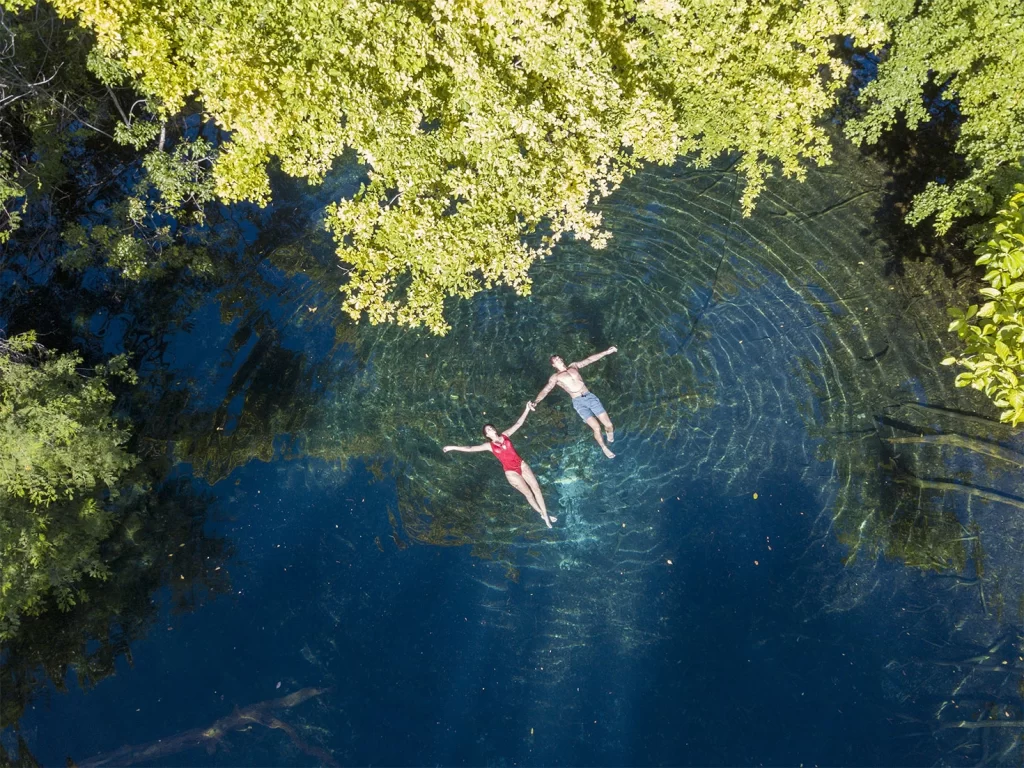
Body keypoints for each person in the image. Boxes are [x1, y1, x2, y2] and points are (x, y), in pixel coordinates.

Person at [442, 403, 555, 528]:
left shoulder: (505, 435)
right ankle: (544, 516)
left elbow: (518, 424)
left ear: (495, 430)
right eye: (488, 430)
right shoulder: (489, 446)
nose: (490, 429)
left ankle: (545, 515)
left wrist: (527, 409)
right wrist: (452, 447)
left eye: (491, 428)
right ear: (487, 435)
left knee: (536, 489)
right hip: (511, 472)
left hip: (521, 464)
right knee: (528, 494)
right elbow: (470, 448)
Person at [530, 346, 617, 459]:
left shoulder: (573, 366)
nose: (559, 359)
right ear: (553, 365)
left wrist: (607, 351)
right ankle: (604, 447)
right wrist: (536, 401)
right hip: (578, 403)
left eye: (559, 358)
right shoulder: (556, 377)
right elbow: (546, 390)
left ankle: (610, 436)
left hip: (590, 397)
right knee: (596, 427)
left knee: (609, 425)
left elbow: (590, 360)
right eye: (555, 360)